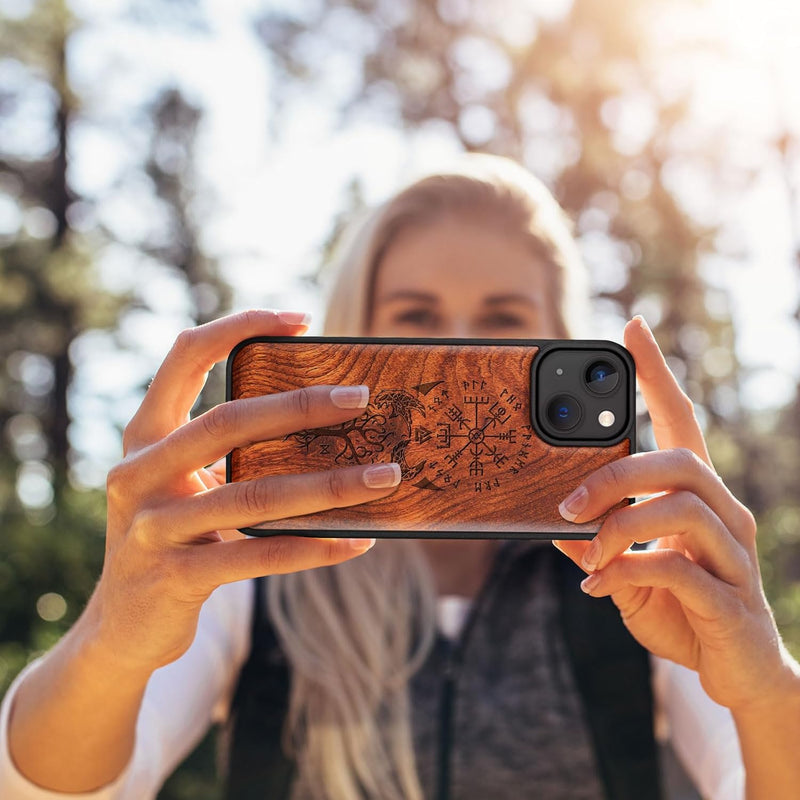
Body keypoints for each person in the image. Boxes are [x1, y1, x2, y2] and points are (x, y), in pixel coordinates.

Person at [1, 154, 799, 800]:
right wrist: (114, 636)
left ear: (559, 340)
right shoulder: (255, 567)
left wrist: (765, 690)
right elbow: (55, 789)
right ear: (356, 332)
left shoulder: (636, 574)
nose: (457, 352)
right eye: (415, 319)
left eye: (502, 322)